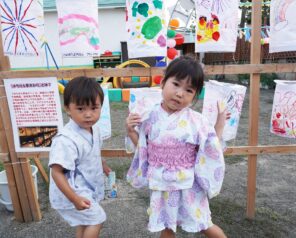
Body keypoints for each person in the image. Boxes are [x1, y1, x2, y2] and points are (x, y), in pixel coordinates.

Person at [126, 56, 228, 238]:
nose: (180, 93)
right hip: (162, 183)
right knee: (167, 226)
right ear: (163, 82)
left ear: (195, 96)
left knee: (204, 223)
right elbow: (143, 148)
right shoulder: (149, 116)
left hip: (189, 184)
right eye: (176, 84)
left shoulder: (197, 121)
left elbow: (211, 147)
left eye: (188, 90)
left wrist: (220, 122)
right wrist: (130, 129)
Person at [48, 76, 111, 238]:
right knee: (96, 219)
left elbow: (94, 151)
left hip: (85, 188)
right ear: (68, 108)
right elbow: (57, 172)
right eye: (81, 109)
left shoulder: (94, 129)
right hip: (71, 192)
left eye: (94, 108)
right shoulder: (66, 140)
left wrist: (102, 164)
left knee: (86, 221)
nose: (88, 115)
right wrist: (74, 198)